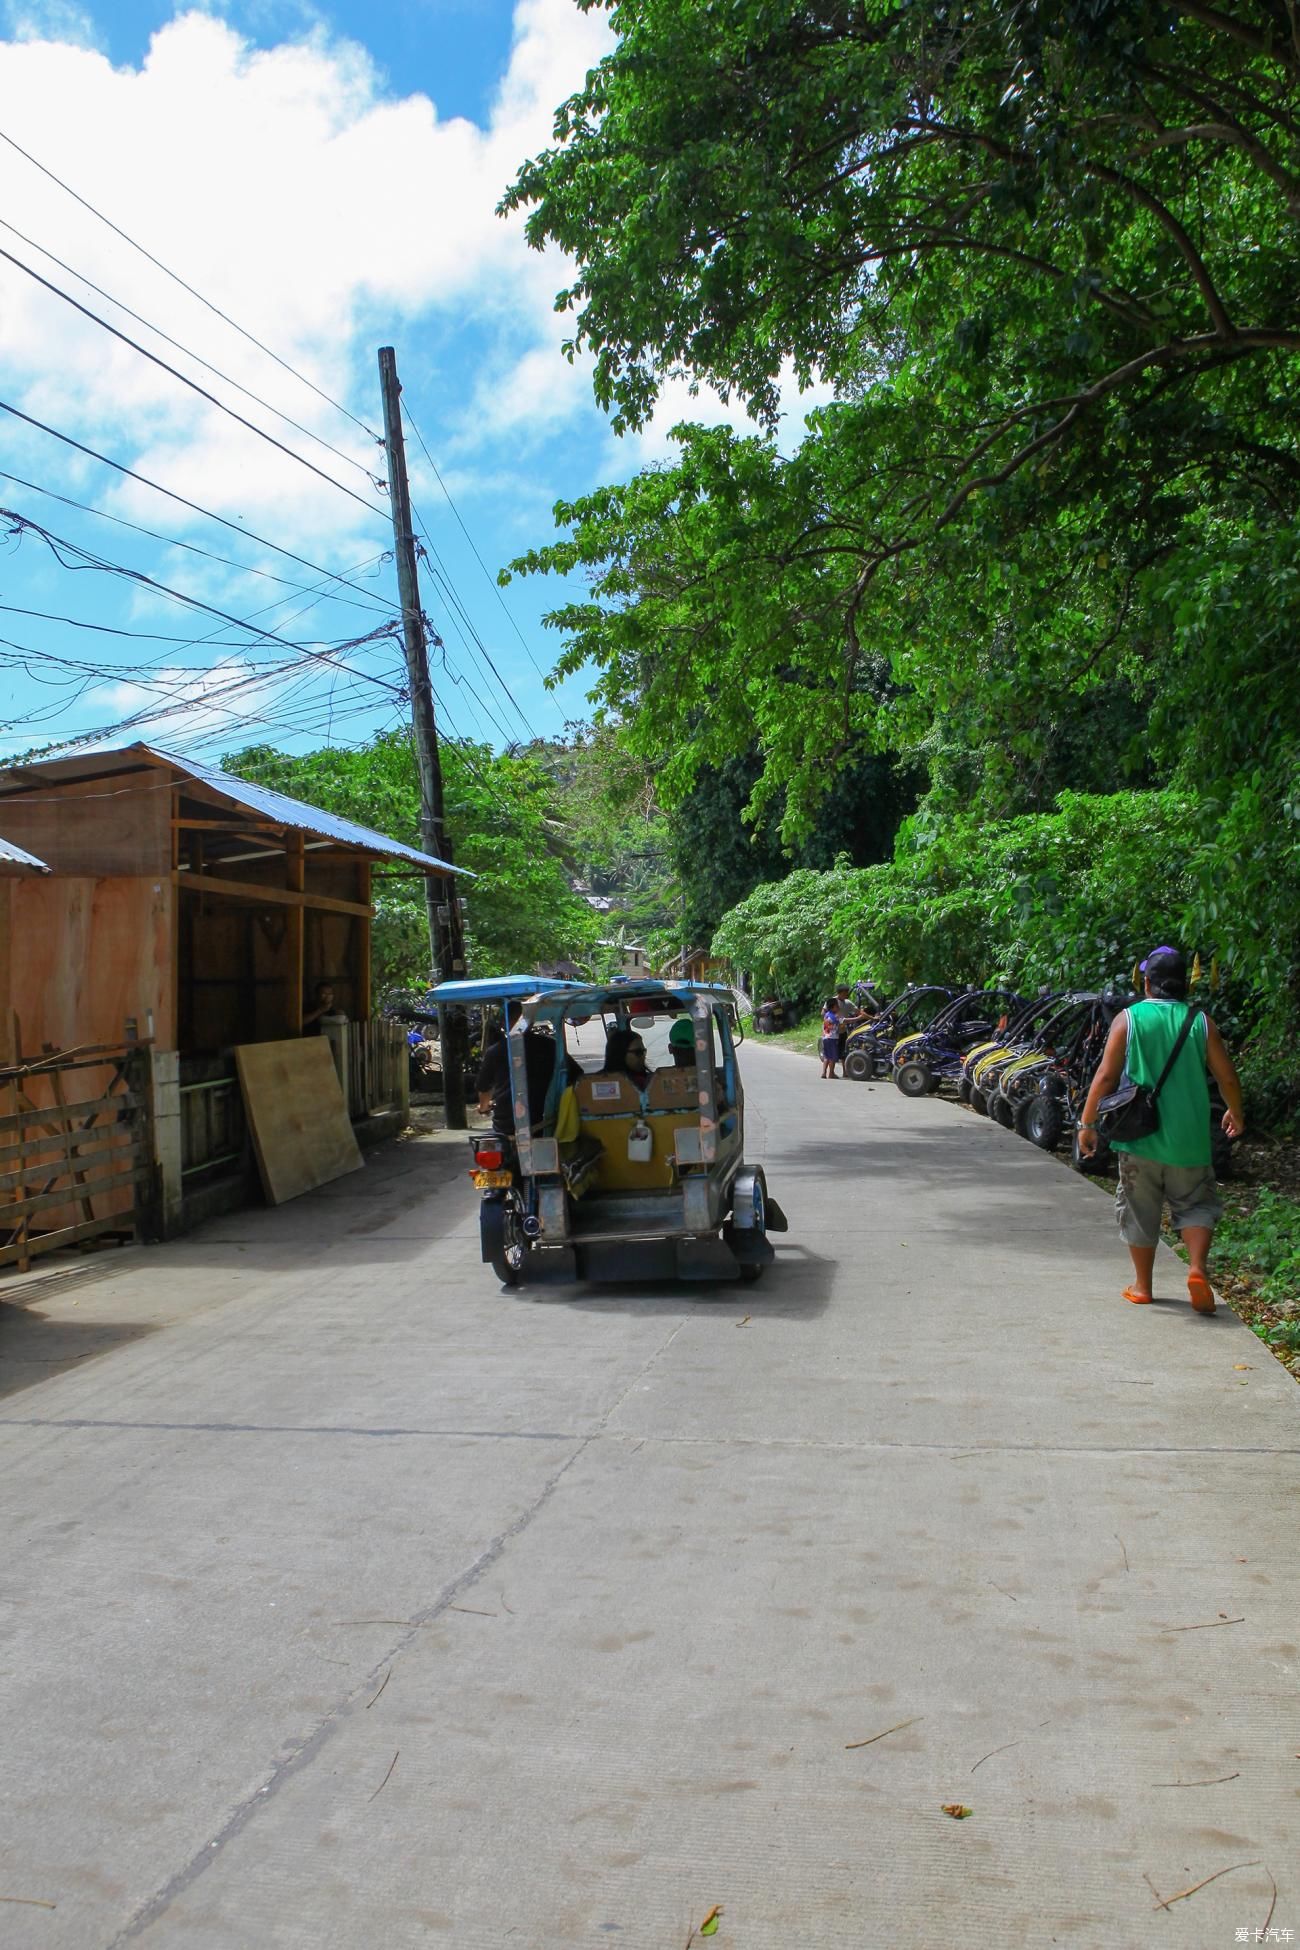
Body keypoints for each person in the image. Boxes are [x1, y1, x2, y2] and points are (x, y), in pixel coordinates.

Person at [1078, 945, 1245, 1312]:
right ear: (1184, 984)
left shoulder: (1129, 1019)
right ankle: (1197, 1269)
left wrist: (1087, 1123)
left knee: (1139, 1207)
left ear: (1148, 984)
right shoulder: (1201, 1022)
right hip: (1189, 1140)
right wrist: (1235, 1111)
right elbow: (1227, 1077)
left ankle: (1143, 1286)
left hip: (1139, 1137)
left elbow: (1105, 1076)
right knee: (1196, 1204)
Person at [476, 1020, 580, 1134]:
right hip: (547, 1121)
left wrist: (483, 1108)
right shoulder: (550, 1045)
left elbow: (484, 1089)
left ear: (504, 1024)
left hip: (507, 1125)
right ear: (530, 1023)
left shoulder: (495, 1051)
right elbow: (577, 1076)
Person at [600, 1026, 652, 1091]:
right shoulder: (598, 1082)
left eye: (644, 1051)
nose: (643, 1056)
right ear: (620, 1054)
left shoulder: (652, 1081)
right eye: (638, 1052)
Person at [819, 997, 840, 1079]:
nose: (838, 1007)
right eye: (837, 1006)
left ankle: (824, 1072)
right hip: (832, 1038)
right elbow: (843, 1021)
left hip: (825, 1038)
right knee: (832, 1057)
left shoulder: (826, 1015)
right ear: (833, 1007)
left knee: (826, 1056)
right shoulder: (834, 1017)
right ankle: (831, 1073)